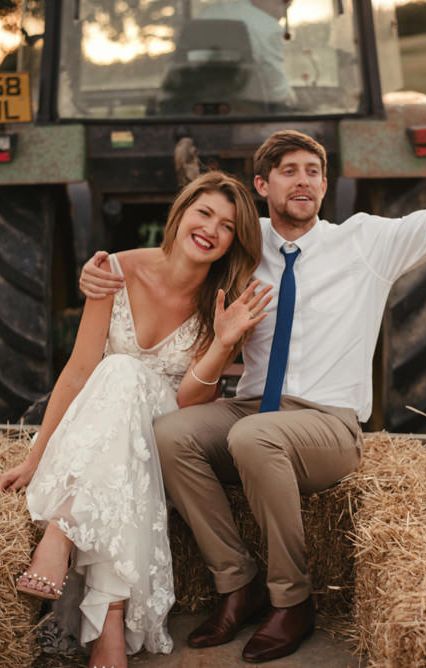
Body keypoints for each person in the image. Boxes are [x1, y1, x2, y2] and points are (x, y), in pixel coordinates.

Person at [78, 79, 426, 663]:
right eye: (288, 170)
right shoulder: (243, 247)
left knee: (252, 436)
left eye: (314, 170)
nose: (304, 179)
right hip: (252, 409)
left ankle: (293, 600)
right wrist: (102, 271)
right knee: (171, 434)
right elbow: (174, 260)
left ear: (325, 184)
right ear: (261, 187)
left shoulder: (364, 243)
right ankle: (238, 584)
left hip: (327, 424)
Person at [0, 171, 271, 668]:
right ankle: (110, 628)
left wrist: (226, 342)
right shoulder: (115, 271)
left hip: (160, 430)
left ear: (234, 242)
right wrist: (35, 457)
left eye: (228, 226)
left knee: (123, 371)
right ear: (181, 213)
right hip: (113, 441)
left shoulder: (221, 302)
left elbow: (191, 401)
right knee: (115, 380)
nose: (211, 229)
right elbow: (79, 371)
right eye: (204, 212)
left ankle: (62, 531)